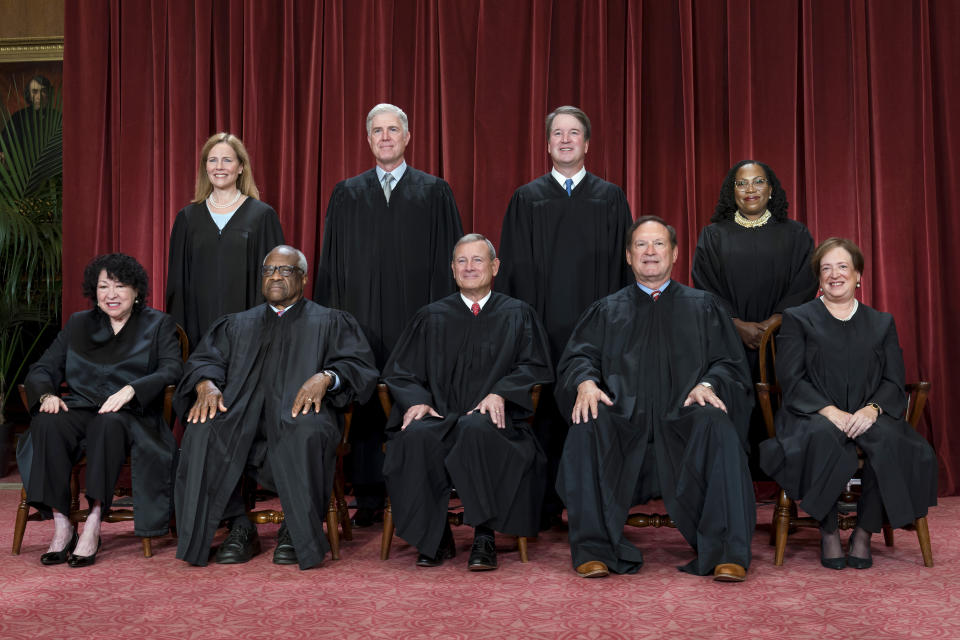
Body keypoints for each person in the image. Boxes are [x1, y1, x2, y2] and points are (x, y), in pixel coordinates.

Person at [556, 216, 755, 581]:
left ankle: (726, 552)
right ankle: (594, 548)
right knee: (587, 423)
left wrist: (708, 385)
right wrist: (585, 382)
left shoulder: (704, 307)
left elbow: (730, 364)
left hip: (685, 419)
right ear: (629, 257)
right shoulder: (606, 310)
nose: (650, 252)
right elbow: (579, 357)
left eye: (659, 244)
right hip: (623, 420)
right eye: (641, 246)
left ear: (675, 253)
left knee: (717, 424)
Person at [174, 245, 378, 570]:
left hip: (300, 415)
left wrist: (327, 377)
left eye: (285, 270)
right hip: (242, 415)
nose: (275, 276)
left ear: (304, 278)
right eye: (269, 270)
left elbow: (358, 366)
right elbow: (204, 361)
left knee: (305, 431)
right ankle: (239, 525)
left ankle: (295, 532)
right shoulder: (236, 325)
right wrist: (206, 384)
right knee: (203, 430)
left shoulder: (330, 321)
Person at [314, 103, 463, 526]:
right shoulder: (346, 193)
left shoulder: (435, 192)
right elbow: (331, 266)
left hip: (418, 322)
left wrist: (444, 323)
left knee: (415, 398)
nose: (385, 137)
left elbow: (451, 265)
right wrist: (332, 325)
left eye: (392, 130)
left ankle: (421, 493)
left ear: (407, 137)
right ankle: (368, 497)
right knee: (362, 403)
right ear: (367, 139)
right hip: (360, 322)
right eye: (377, 131)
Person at [759, 238, 937, 570]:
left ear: (858, 276)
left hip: (869, 412)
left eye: (842, 267)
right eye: (826, 268)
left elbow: (893, 380)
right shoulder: (799, 318)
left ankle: (864, 532)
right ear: (819, 277)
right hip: (812, 412)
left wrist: (872, 410)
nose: (834, 275)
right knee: (824, 436)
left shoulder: (881, 323)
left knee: (886, 441)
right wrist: (830, 412)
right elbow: (792, 379)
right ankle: (827, 530)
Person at [496, 105, 633, 528]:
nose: (567, 140)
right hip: (541, 328)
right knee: (543, 418)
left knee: (592, 413)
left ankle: (595, 507)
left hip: (596, 333)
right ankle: (542, 508)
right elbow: (512, 273)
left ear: (587, 143)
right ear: (547, 144)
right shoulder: (526, 199)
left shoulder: (610, 198)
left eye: (575, 133)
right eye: (558, 133)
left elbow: (623, 268)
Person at [382, 234, 553, 570]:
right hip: (441, 415)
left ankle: (484, 536)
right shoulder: (431, 316)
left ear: (494, 267)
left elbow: (536, 366)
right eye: (462, 261)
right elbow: (400, 372)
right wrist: (416, 400)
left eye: (477, 260)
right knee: (415, 435)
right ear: (452, 269)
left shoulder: (518, 314)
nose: (470, 267)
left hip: (495, 423)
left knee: (477, 428)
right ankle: (435, 537)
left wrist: (501, 391)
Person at [17, 253, 182, 567]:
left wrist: (134, 388)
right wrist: (47, 394)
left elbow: (172, 370)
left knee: (108, 424)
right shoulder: (79, 324)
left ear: (136, 292)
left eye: (120, 286)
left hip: (131, 414)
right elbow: (42, 368)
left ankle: (94, 520)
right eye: (103, 286)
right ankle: (63, 523)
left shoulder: (158, 324)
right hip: (80, 407)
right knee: (48, 422)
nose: (111, 294)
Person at [166, 132, 284, 350]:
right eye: (213, 160)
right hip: (198, 334)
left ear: (240, 167)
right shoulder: (187, 218)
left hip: (250, 335)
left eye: (227, 160)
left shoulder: (262, 216)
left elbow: (275, 281)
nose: (219, 166)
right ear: (205, 167)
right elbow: (177, 284)